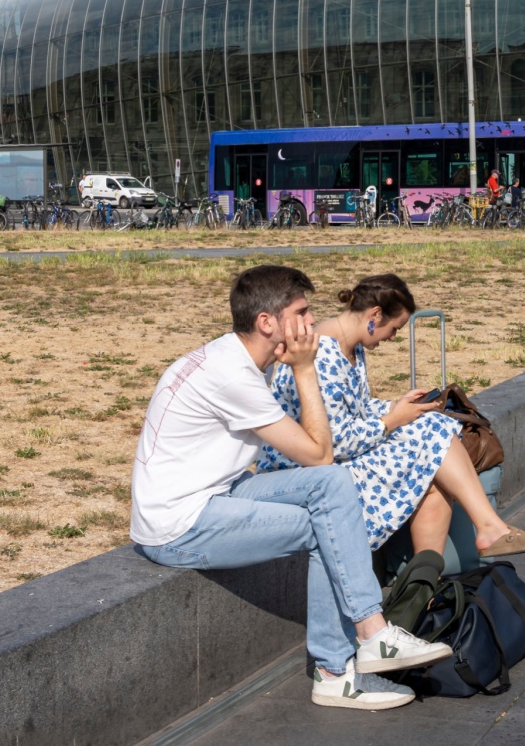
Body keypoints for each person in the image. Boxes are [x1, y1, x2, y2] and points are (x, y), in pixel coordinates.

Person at [131, 265, 454, 712]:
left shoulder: (236, 357)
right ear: (267, 323)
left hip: (216, 494)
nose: (310, 323)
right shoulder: (235, 377)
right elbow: (319, 451)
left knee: (333, 487)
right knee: (325, 518)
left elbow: (324, 468)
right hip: (178, 525)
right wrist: (305, 369)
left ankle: (368, 639)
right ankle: (340, 666)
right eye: (301, 313)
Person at [257, 273, 525, 562]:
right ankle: (487, 530)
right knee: (433, 440)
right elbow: (334, 442)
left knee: (431, 459)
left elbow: (350, 410)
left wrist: (395, 407)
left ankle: (427, 586)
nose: (393, 337)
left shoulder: (348, 347)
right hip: (310, 471)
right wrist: (392, 420)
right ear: (375, 314)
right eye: (395, 328)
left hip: (329, 461)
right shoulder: (323, 355)